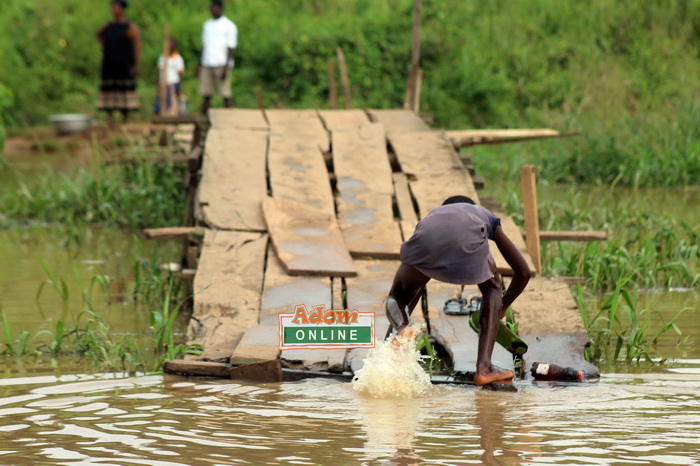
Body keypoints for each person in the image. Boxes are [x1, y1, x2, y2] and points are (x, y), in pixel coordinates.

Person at [385, 195, 532, 386]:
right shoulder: (483, 215)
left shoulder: (433, 216)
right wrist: (501, 307)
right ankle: (484, 368)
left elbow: (412, 289)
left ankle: (401, 330)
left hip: (425, 241)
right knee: (493, 287)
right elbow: (523, 272)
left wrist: (394, 335)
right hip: (467, 247)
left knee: (397, 297)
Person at [97, 0, 141, 125]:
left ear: (122, 9)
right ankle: (110, 119)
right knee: (110, 89)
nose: (115, 9)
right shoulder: (109, 26)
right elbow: (99, 35)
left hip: (124, 64)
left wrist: (136, 64)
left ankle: (124, 119)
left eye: (117, 7)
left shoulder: (129, 26)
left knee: (124, 90)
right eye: (113, 6)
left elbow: (137, 44)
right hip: (110, 65)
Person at [198, 0, 238, 114]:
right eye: (211, 8)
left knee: (225, 93)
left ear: (221, 9)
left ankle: (230, 118)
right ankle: (202, 121)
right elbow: (204, 46)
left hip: (221, 64)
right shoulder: (207, 25)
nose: (213, 10)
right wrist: (199, 66)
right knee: (206, 94)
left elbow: (231, 48)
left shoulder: (229, 26)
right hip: (207, 63)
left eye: (215, 8)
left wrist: (226, 67)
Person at [155, 38, 185, 115]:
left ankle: (170, 115)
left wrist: (180, 87)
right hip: (163, 82)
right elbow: (160, 71)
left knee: (170, 101)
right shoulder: (163, 57)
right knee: (160, 100)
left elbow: (180, 73)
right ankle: (159, 114)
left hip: (173, 82)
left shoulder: (178, 58)